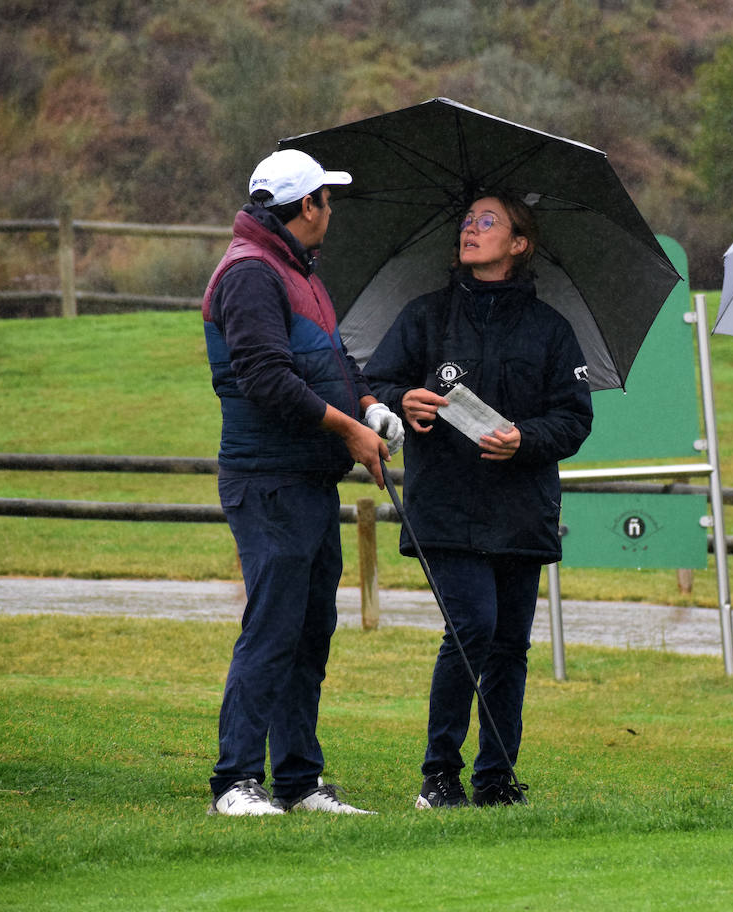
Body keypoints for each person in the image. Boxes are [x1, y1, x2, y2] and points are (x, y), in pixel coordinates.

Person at [364, 191, 592, 809]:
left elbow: (574, 420)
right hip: (447, 506)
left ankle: (495, 779)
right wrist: (401, 401)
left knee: (510, 645)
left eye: (487, 221)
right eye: (467, 221)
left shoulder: (551, 330)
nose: (471, 229)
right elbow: (373, 383)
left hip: (522, 509)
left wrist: (526, 439)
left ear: (520, 244)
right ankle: (439, 776)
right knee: (472, 628)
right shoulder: (425, 317)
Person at [202, 149, 404, 817]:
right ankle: (235, 781)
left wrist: (369, 404)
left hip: (307, 480)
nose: (331, 210)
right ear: (306, 206)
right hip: (267, 479)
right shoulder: (251, 274)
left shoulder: (298, 271)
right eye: (326, 197)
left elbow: (329, 360)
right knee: (274, 625)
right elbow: (265, 379)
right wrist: (349, 431)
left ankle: (296, 779)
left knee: (311, 626)